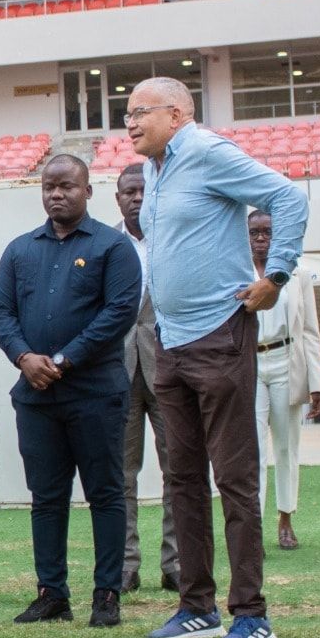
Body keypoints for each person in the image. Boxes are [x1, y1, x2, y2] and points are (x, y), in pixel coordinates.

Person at [127, 77, 308, 638]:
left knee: (234, 479)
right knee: (181, 478)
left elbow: (288, 197)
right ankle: (196, 606)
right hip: (171, 342)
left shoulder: (206, 151)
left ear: (177, 114)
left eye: (139, 112)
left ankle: (251, 616)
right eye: (126, 114)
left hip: (220, 335)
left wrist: (274, 277)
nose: (129, 123)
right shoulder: (156, 170)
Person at [0, 155, 142, 628]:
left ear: (87, 190)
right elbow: (0, 310)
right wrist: (23, 358)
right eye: (49, 187)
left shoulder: (113, 247)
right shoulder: (19, 250)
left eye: (67, 186)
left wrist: (63, 359)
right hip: (37, 396)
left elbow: (119, 312)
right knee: (47, 497)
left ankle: (107, 593)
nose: (57, 194)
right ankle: (52, 593)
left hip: (95, 392)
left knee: (106, 493)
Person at [113, 162, 179, 594]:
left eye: (142, 190)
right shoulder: (103, 244)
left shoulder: (175, 238)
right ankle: (125, 564)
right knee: (121, 474)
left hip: (172, 368)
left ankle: (176, 563)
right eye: (128, 192)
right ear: (116, 198)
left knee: (180, 469)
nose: (136, 198)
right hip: (116, 371)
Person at [248, 210, 320, 551]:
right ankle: (253, 525)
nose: (261, 238)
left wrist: (316, 383)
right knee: (252, 450)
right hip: (248, 364)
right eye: (254, 232)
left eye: (267, 232)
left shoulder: (298, 274)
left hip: (285, 361)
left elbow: (310, 332)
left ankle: (285, 517)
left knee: (286, 445)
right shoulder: (235, 272)